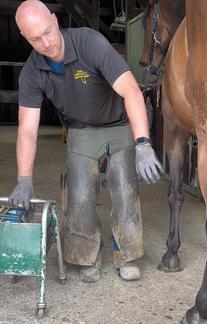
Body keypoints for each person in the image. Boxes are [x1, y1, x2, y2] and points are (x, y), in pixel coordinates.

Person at [9, 0, 163, 283]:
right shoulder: (32, 73)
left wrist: (143, 143)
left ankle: (125, 254)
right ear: (24, 38)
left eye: (47, 32)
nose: (46, 43)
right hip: (80, 130)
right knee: (78, 191)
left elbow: (130, 90)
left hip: (118, 125)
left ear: (55, 21)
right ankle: (88, 255)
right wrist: (24, 178)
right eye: (35, 39)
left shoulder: (89, 42)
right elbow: (27, 129)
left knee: (124, 185)